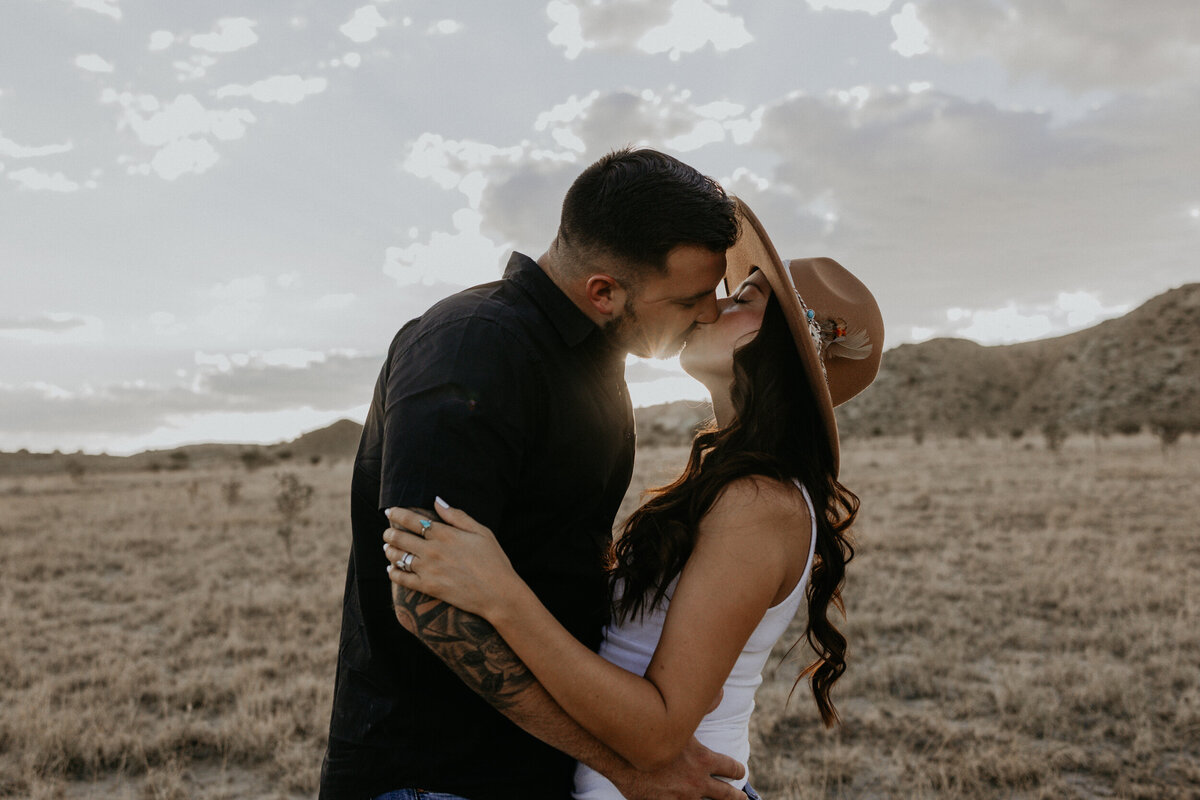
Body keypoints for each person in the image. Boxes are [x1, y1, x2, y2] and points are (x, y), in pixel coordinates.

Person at [383, 199, 885, 798]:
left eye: (744, 300)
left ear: (780, 348)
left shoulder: (760, 503)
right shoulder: (731, 484)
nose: (715, 305)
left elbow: (658, 735)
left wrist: (499, 592)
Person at [321, 147, 751, 800]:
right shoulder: (471, 348)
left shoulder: (598, 364)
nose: (709, 313)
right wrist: (625, 764)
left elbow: (559, 553)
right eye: (691, 298)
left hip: (533, 769)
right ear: (602, 291)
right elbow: (426, 600)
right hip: (431, 778)